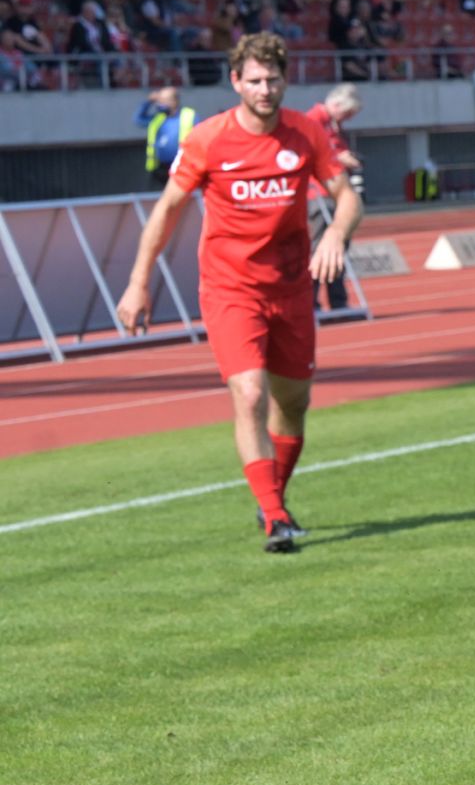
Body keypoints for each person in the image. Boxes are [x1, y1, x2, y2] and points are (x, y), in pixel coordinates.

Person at [114, 33, 361, 555]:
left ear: (285, 80)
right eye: (254, 80)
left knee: (293, 404)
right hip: (230, 288)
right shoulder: (208, 139)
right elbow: (167, 211)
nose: (265, 89)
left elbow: (346, 198)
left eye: (273, 79)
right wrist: (138, 282)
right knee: (249, 393)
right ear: (236, 82)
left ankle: (272, 495)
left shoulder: (306, 133)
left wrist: (337, 233)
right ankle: (274, 518)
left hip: (292, 289)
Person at [306, 84, 363, 310]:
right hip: (319, 195)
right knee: (318, 247)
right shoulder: (312, 121)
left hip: (336, 194)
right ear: (337, 105)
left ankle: (338, 301)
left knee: (339, 248)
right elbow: (312, 156)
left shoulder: (332, 124)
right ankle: (311, 303)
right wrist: (341, 158)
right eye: (347, 113)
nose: (348, 119)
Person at [135, 85, 196, 187]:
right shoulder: (158, 118)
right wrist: (149, 101)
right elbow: (138, 119)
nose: (159, 103)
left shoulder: (188, 116)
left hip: (182, 168)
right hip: (159, 170)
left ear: (174, 101)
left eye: (163, 100)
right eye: (159, 100)